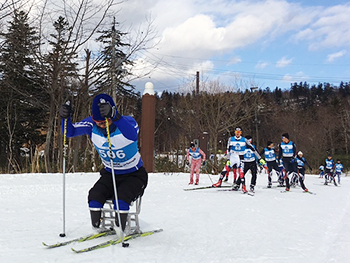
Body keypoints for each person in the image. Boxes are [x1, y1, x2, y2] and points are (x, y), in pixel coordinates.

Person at [59, 93, 148, 233]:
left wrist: (116, 116)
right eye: (98, 122)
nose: (100, 125)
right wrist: (65, 118)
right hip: (110, 173)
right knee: (94, 196)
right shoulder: (91, 124)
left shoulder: (128, 122)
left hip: (134, 175)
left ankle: (121, 229)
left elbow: (132, 135)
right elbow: (69, 132)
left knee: (121, 200)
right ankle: (97, 227)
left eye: (104, 122)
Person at [213, 127, 262, 193]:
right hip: (233, 156)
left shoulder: (244, 140)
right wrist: (228, 158)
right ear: (235, 133)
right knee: (225, 169)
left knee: (241, 173)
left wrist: (259, 158)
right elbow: (228, 149)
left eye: (239, 133)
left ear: (241, 133)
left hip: (240, 157)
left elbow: (253, 149)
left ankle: (243, 187)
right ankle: (219, 182)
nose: (237, 134)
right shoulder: (231, 139)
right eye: (236, 132)